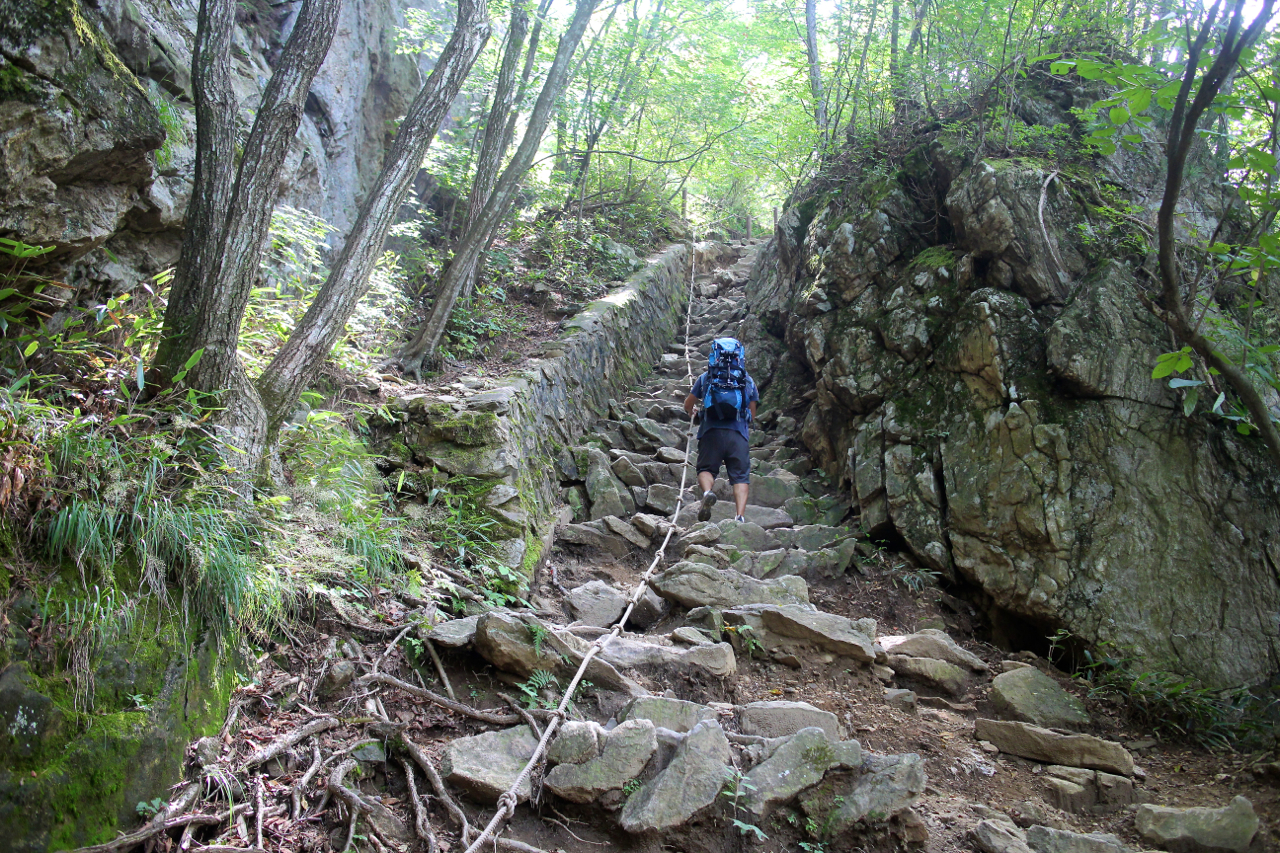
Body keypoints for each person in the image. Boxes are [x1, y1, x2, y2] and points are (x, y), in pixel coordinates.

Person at [683, 353, 759, 523]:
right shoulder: (747, 380)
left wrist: (692, 412)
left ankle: (707, 493)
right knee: (740, 477)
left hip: (711, 431)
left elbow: (688, 404)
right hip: (737, 434)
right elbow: (752, 413)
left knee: (706, 469)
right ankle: (739, 516)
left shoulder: (706, 377)